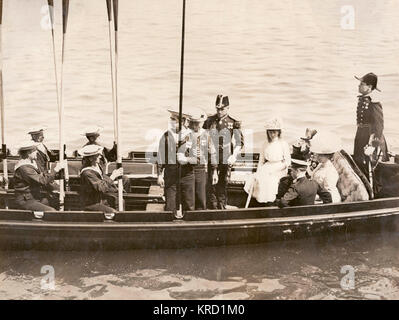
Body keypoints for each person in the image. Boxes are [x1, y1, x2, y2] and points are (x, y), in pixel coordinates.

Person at [203, 95, 244, 209]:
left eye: (222, 109)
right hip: (211, 156)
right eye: (217, 109)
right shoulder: (209, 121)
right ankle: (211, 207)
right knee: (210, 183)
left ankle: (221, 206)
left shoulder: (233, 122)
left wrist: (234, 155)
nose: (219, 111)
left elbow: (239, 142)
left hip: (226, 157)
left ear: (228, 108)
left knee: (222, 184)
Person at [178, 108, 218, 210]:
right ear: (191, 123)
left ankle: (200, 217)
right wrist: (189, 157)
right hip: (188, 169)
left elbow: (212, 153)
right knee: (188, 197)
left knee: (201, 196)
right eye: (195, 123)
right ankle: (188, 217)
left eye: (200, 123)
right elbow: (180, 154)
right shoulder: (186, 135)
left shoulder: (206, 135)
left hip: (201, 169)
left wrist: (214, 171)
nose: (198, 125)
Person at [244, 116, 291, 204]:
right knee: (256, 178)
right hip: (267, 166)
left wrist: (274, 170)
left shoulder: (283, 144)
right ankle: (261, 202)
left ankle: (270, 202)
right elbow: (261, 161)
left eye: (274, 132)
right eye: (270, 132)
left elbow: (288, 162)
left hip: (279, 168)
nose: (272, 134)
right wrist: (259, 171)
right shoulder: (265, 144)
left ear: (278, 132)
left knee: (271, 180)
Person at [353, 73, 389, 176]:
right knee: (358, 161)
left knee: (369, 166)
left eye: (362, 83)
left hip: (370, 136)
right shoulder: (364, 98)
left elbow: (378, 126)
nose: (359, 85)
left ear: (369, 87)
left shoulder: (373, 102)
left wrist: (373, 145)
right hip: (361, 134)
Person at [13, 140, 64, 211]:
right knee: (52, 211)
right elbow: (41, 181)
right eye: (35, 150)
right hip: (26, 200)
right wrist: (55, 170)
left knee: (55, 202)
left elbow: (42, 176)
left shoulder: (29, 164)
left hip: (32, 197)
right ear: (28, 153)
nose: (37, 152)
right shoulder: (24, 168)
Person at [156, 108, 191, 211]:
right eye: (171, 118)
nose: (171, 121)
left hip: (186, 175)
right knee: (170, 206)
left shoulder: (189, 136)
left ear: (182, 121)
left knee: (188, 205)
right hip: (170, 175)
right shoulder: (166, 136)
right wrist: (159, 175)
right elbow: (161, 156)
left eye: (174, 119)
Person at [82, 126, 130, 193]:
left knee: (124, 179)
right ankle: (120, 196)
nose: (99, 137)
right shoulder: (88, 151)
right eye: (98, 136)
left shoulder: (99, 147)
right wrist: (112, 177)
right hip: (97, 177)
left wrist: (115, 148)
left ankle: (124, 196)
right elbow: (91, 170)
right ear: (92, 138)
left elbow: (111, 157)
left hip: (101, 175)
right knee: (115, 188)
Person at [78, 144, 123, 213]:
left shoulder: (96, 165)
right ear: (90, 159)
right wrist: (113, 176)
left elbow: (102, 177)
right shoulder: (87, 173)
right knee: (114, 213)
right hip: (92, 203)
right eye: (97, 155)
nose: (100, 156)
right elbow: (101, 188)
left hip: (100, 198)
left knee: (120, 201)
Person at [309, 133, 342, 203]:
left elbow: (328, 192)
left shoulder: (331, 171)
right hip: (319, 196)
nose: (317, 156)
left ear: (328, 156)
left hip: (330, 200)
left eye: (320, 155)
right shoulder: (321, 165)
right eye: (317, 154)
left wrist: (312, 196)